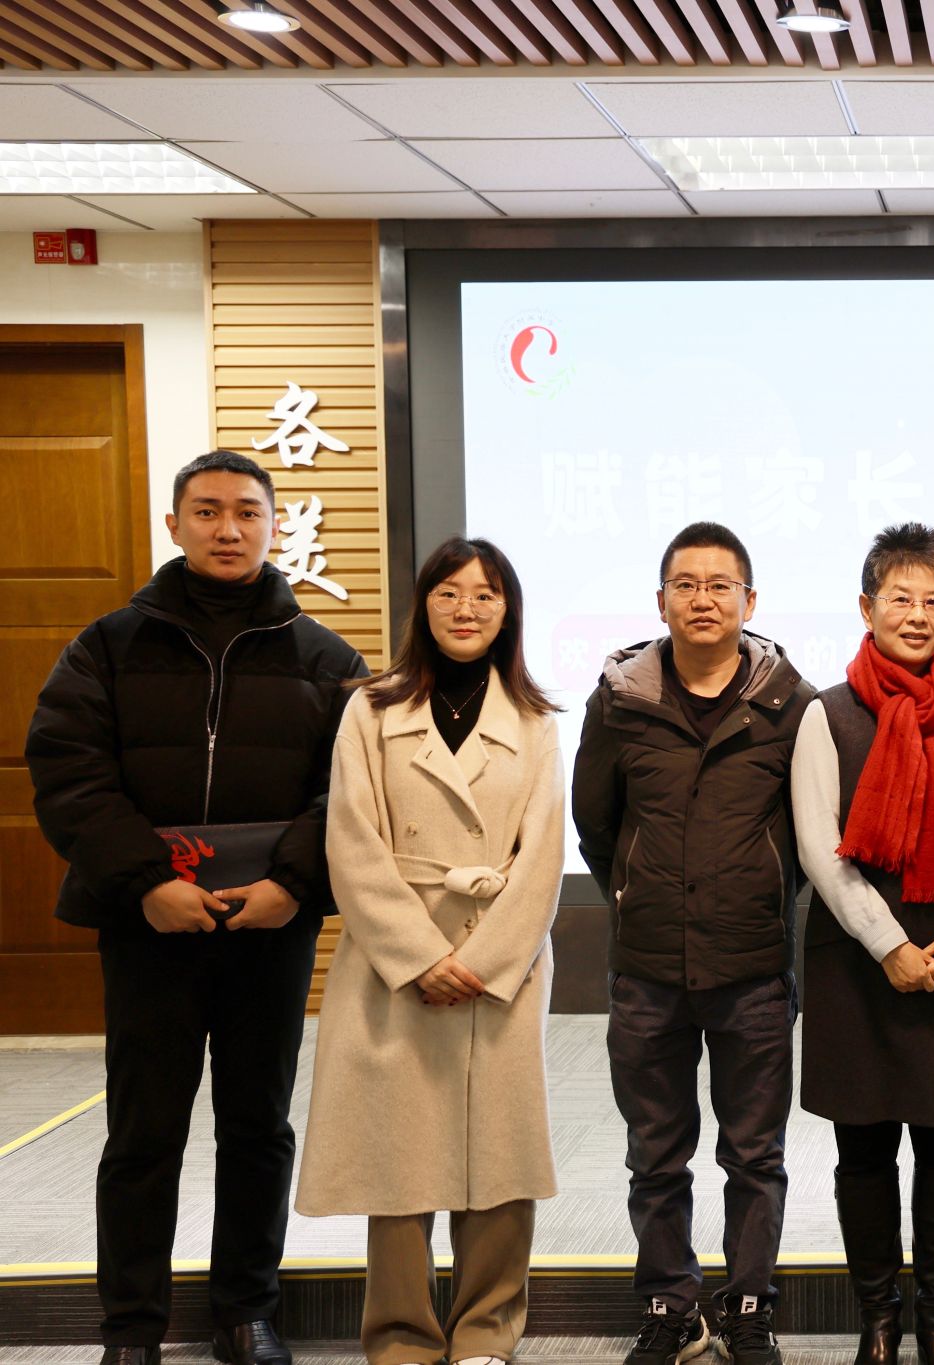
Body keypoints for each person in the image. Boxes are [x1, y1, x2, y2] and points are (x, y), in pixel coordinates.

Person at [26, 450, 364, 1365]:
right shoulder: (107, 646)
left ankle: (245, 1312)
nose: (228, 528)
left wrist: (292, 884)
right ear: (172, 524)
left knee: (257, 1126)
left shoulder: (327, 658)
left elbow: (351, 792)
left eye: (247, 512)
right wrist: (148, 882)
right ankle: (131, 1326)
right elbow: (69, 772)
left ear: (273, 526)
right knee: (144, 1130)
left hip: (270, 927)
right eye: (207, 511)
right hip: (149, 926)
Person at [295, 537, 564, 1365]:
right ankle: (402, 1335)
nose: (466, 608)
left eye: (485, 594)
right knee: (398, 1156)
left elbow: (544, 855)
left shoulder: (535, 720)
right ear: (424, 605)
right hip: (394, 961)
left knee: (500, 1157)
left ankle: (486, 1330)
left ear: (507, 610)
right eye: (449, 592)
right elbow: (351, 840)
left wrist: (484, 962)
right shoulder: (371, 710)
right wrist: (418, 956)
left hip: (499, 965)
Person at [573, 521, 816, 1365]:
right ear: (661, 600)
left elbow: (809, 832)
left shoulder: (791, 703)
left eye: (720, 585)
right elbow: (596, 825)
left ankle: (748, 1305)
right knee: (655, 1154)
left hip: (753, 966)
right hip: (648, 968)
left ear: (750, 600)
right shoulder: (619, 700)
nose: (702, 598)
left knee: (754, 1154)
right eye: (686, 583)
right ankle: (671, 1306)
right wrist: (641, 889)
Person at [793, 524, 934, 1365]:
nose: (918, 614)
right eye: (901, 598)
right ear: (866, 606)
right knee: (864, 1149)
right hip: (856, 959)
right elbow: (820, 847)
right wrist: (886, 943)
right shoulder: (826, 713)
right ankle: (878, 1320)